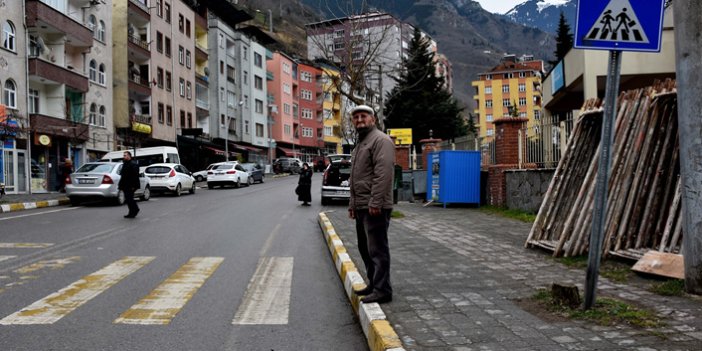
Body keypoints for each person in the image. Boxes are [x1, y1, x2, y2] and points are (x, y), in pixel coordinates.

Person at [347, 105, 395, 304]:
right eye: (356, 117)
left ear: (372, 119)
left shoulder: (381, 140)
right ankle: (373, 284)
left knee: (377, 249)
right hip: (361, 206)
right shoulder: (361, 143)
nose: (359, 120)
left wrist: (375, 202)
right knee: (365, 248)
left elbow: (383, 173)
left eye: (363, 116)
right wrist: (352, 204)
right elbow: (355, 177)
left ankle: (383, 290)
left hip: (375, 205)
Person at [118, 151, 140, 218]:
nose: (124, 156)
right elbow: (123, 175)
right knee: (128, 199)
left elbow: (135, 176)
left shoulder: (133, 164)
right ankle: (131, 212)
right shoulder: (125, 163)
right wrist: (120, 185)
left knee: (129, 198)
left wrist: (133, 186)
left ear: (129, 156)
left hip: (131, 185)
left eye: (125, 155)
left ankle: (135, 210)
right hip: (125, 184)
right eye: (123, 155)